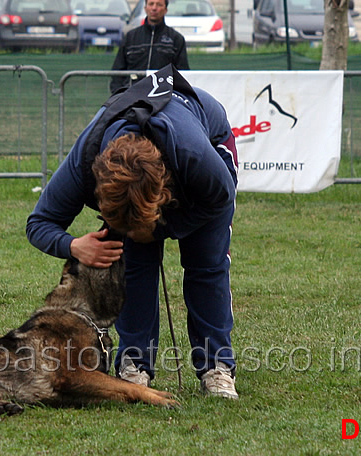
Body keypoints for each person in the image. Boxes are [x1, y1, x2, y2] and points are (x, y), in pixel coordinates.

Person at [26, 65, 239, 399]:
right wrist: (74, 245)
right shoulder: (85, 161)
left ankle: (217, 367)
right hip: (144, 178)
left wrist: (164, 229)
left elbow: (219, 199)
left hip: (208, 140)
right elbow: (38, 224)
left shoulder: (196, 157)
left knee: (206, 264)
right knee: (134, 264)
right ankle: (134, 365)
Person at [110, 0, 190, 95]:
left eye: (159, 5)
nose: (154, 8)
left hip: (163, 97)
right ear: (145, 8)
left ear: (165, 10)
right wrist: (119, 95)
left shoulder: (176, 39)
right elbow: (117, 72)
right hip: (132, 96)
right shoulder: (131, 37)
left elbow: (182, 74)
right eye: (151, 4)